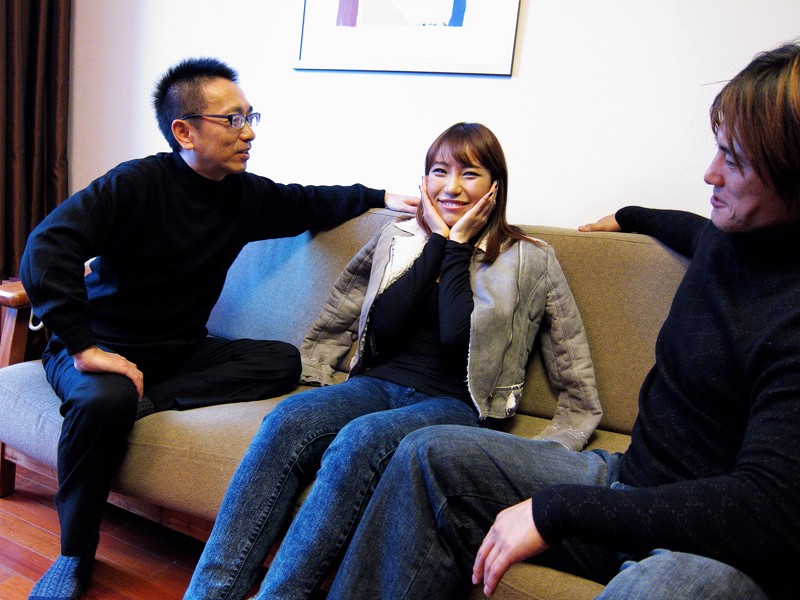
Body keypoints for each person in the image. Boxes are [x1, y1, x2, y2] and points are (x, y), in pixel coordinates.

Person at [322, 42, 800, 600]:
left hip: (713, 548)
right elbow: (688, 228)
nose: (710, 173)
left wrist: (556, 511)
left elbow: (765, 509)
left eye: (735, 161)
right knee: (426, 455)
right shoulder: (728, 238)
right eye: (718, 149)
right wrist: (628, 216)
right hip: (628, 479)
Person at [21, 56, 417, 600]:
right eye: (232, 120)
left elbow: (306, 201)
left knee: (281, 360)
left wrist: (380, 198)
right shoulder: (135, 185)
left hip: (179, 352)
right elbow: (46, 247)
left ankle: (149, 399)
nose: (248, 132)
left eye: (250, 117)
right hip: (103, 348)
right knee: (104, 401)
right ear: (184, 131)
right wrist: (84, 346)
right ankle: (73, 556)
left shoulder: (242, 194)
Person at [184, 122, 602, 600]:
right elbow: (370, 317)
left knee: (360, 440)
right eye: (439, 172)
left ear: (494, 186)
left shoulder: (530, 258)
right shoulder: (398, 236)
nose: (451, 187)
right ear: (423, 180)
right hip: (375, 384)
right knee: (288, 418)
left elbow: (548, 352)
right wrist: (437, 243)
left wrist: (457, 248)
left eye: (469, 174)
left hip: (455, 404)